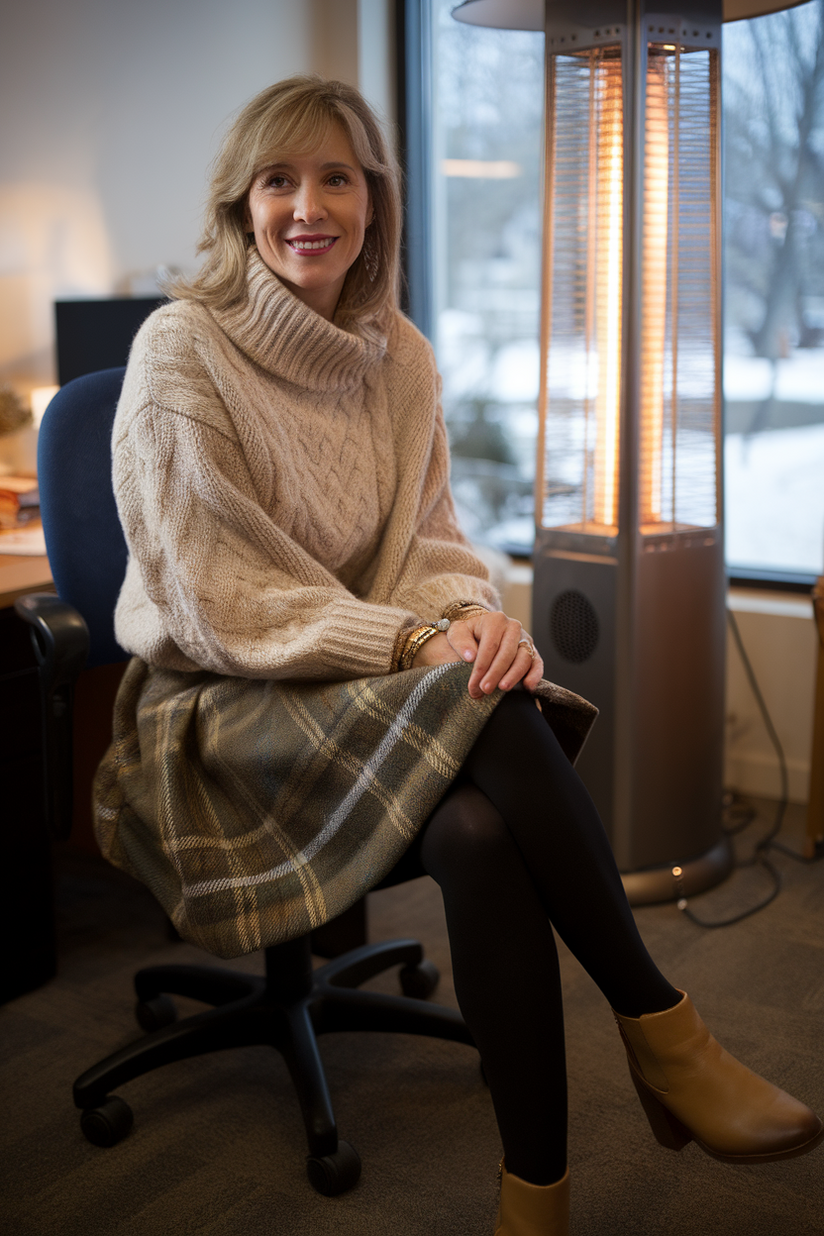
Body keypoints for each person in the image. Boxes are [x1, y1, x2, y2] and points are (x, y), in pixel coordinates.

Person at [94, 76, 822, 1235]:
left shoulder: (400, 358)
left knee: (479, 826)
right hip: (219, 702)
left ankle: (533, 1196)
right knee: (489, 709)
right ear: (240, 202)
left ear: (374, 200)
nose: (305, 205)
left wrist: (464, 617)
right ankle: (663, 1033)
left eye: (336, 175)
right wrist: (420, 637)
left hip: (364, 685)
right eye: (278, 179)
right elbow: (222, 605)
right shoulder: (180, 352)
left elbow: (432, 548)